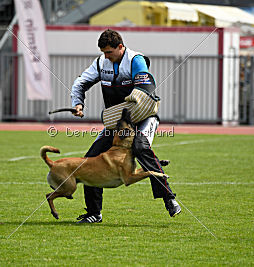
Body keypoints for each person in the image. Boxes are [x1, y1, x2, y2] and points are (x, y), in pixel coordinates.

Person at [71, 29, 181, 223]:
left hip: (144, 118)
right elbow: (80, 83)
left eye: (109, 52)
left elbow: (145, 86)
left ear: (120, 47)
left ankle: (169, 198)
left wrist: (134, 97)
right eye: (103, 52)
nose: (106, 56)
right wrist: (77, 103)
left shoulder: (136, 60)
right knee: (90, 160)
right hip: (117, 123)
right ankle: (94, 213)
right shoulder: (100, 63)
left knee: (141, 148)